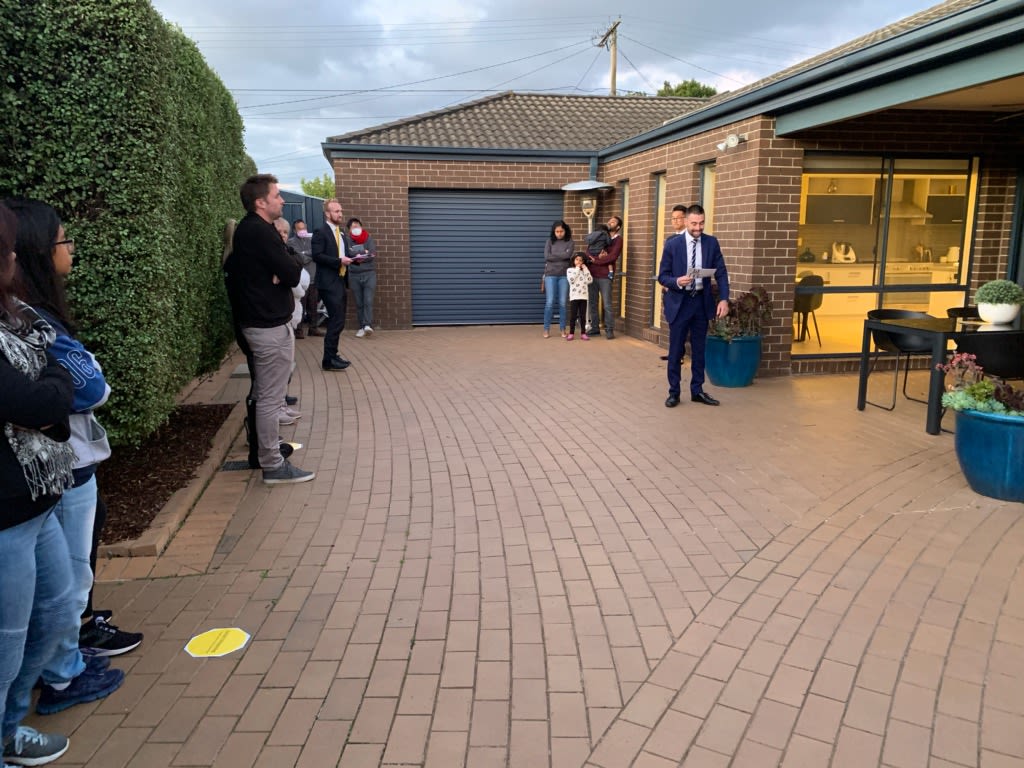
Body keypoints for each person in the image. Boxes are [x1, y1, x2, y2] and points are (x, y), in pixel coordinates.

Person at [7, 198, 137, 716]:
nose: (71, 247)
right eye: (63, 238)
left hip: (62, 462)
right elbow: (90, 386)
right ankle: (61, 675)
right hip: (60, 466)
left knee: (66, 577)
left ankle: (65, 660)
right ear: (36, 252)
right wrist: (64, 383)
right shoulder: (31, 319)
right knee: (63, 582)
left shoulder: (29, 314)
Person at [0, 202, 77, 766]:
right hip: (6, 513)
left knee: (53, 612)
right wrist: (50, 391)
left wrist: (47, 393)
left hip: (40, 500)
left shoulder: (16, 315)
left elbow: (54, 377)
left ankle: (8, 726)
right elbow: (33, 396)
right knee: (5, 643)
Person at [224, 174, 315, 484]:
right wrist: (282, 271)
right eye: (277, 195)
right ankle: (272, 463)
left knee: (269, 396)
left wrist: (283, 269)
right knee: (269, 398)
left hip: (269, 325)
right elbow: (292, 273)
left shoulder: (253, 231)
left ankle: (269, 453)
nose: (282, 200)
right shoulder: (259, 233)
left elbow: (289, 267)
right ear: (260, 202)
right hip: (267, 328)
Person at [657, 204, 730, 408]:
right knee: (676, 350)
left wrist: (724, 299)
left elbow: (721, 272)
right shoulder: (673, 244)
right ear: (686, 222)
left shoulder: (711, 243)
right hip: (679, 303)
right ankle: (674, 392)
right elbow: (662, 275)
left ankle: (697, 390)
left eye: (702, 223)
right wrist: (676, 282)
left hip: (700, 302)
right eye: (694, 224)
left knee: (699, 349)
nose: (698, 228)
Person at [311, 199, 353, 371]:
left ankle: (331, 356)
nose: (340, 214)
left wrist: (357, 258)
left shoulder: (341, 233)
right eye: (336, 211)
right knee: (336, 320)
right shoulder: (320, 232)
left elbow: (345, 254)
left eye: (341, 211)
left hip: (340, 280)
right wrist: (338, 261)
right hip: (328, 282)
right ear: (327, 214)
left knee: (339, 320)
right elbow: (317, 256)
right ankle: (329, 359)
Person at [587, 214, 623, 339]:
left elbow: (612, 257)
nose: (610, 223)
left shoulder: (618, 240)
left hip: (605, 276)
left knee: (607, 304)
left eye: (613, 222)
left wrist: (596, 260)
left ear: (618, 227)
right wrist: (597, 259)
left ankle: (609, 329)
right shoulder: (599, 235)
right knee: (592, 303)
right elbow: (588, 253)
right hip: (592, 274)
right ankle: (595, 328)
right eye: (609, 221)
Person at [288, 219, 322, 337]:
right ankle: (298, 330)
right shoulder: (291, 242)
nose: (302, 231)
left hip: (313, 277)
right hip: (300, 280)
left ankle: (313, 328)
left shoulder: (312, 240)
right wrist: (308, 256)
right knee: (300, 306)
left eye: (304, 228)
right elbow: (299, 258)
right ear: (294, 230)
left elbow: (316, 253)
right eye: (299, 228)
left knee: (313, 305)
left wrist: (304, 254)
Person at [542, 220, 574, 338]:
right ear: (553, 231)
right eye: (557, 231)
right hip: (550, 275)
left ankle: (562, 329)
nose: (559, 233)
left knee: (562, 303)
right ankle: (546, 329)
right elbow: (547, 256)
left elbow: (568, 255)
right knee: (549, 302)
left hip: (564, 275)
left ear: (565, 231)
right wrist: (562, 254)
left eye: (561, 231)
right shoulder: (549, 241)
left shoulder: (570, 242)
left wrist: (554, 256)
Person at [346, 217, 377, 338]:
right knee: (359, 302)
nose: (356, 228)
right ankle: (361, 327)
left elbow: (372, 253)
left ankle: (367, 325)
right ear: (349, 229)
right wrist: (362, 253)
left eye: (358, 226)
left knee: (368, 300)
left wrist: (359, 255)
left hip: (369, 274)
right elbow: (348, 253)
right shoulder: (347, 239)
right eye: (353, 226)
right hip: (354, 275)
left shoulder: (368, 238)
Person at [565, 253, 592, 341]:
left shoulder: (584, 270)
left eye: (581, 260)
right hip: (574, 296)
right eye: (577, 259)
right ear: (573, 260)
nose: (579, 262)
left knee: (583, 316)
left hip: (584, 296)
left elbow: (590, 280)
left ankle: (583, 333)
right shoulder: (570, 270)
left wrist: (585, 269)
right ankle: (571, 333)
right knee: (573, 316)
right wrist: (577, 269)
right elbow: (571, 280)